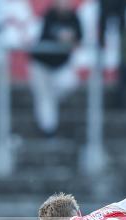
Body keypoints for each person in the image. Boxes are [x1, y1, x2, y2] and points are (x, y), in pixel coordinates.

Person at [29, 0, 82, 137]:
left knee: (68, 84)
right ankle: (48, 131)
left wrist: (70, 40)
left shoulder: (74, 18)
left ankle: (50, 120)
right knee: (43, 98)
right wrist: (59, 38)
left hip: (60, 65)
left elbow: (80, 40)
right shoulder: (48, 16)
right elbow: (40, 38)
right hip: (41, 63)